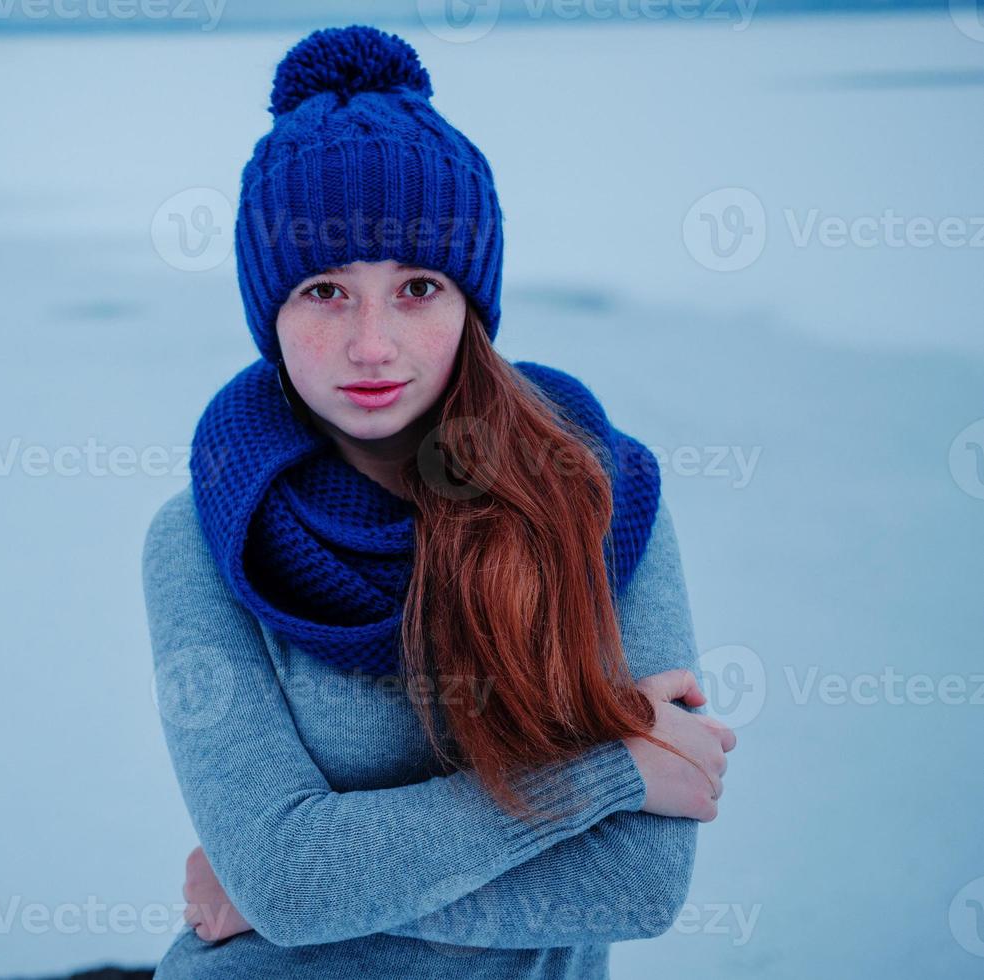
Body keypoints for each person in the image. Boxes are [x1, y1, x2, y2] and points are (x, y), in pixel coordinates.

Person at [141, 23, 736, 978]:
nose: (371, 345)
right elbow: (288, 886)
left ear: (471, 302)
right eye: (325, 291)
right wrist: (609, 774)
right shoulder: (208, 535)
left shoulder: (599, 497)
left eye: (416, 287)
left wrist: (314, 880)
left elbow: (638, 885)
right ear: (269, 311)